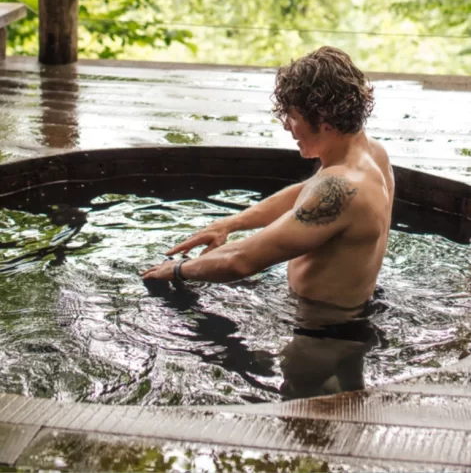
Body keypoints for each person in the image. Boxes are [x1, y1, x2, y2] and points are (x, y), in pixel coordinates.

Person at [141, 45, 394, 316]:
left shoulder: (344, 188)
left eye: (292, 117)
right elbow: (308, 192)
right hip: (344, 311)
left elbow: (241, 261)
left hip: (322, 334)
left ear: (323, 121)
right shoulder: (371, 155)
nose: (286, 125)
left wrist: (176, 269)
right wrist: (231, 223)